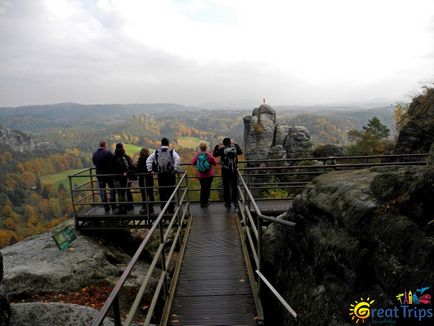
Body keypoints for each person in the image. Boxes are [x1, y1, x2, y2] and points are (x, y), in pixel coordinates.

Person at [146, 138, 181, 214]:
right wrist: (175, 169)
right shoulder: (172, 152)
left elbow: (148, 160)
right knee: (171, 191)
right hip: (170, 175)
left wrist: (150, 170)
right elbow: (178, 159)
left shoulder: (156, 152)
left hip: (161, 175)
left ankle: (163, 208)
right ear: (168, 144)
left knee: (162, 191)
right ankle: (171, 209)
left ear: (161, 144)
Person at [213, 137, 242, 208]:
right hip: (233, 169)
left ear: (223, 143)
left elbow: (214, 154)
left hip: (225, 169)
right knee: (234, 186)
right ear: (230, 142)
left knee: (226, 186)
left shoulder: (222, 149)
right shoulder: (234, 148)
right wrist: (236, 144)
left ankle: (228, 203)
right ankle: (235, 202)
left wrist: (217, 146)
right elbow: (240, 152)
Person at [110, 143, 134, 214]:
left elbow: (111, 168)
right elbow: (131, 166)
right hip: (125, 178)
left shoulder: (114, 158)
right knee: (125, 192)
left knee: (120, 194)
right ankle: (126, 207)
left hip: (117, 178)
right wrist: (126, 173)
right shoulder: (126, 156)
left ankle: (122, 209)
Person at [92, 140, 116, 212]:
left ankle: (106, 207)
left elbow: (94, 163)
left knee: (102, 190)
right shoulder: (108, 153)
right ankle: (113, 204)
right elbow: (114, 161)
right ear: (105, 145)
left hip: (99, 174)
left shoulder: (95, 154)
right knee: (112, 188)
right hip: (108, 174)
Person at [192, 142, 217, 207]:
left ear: (200, 148)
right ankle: (206, 201)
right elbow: (215, 163)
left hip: (201, 175)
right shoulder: (208, 155)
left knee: (203, 188)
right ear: (206, 148)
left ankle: (202, 203)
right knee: (207, 188)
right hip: (209, 175)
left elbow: (193, 163)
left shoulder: (198, 155)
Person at [137, 147, 155, 214]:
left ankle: (144, 207)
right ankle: (151, 207)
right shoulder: (150, 160)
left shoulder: (140, 160)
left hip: (142, 180)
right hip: (149, 179)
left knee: (144, 195)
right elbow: (154, 168)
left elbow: (138, 170)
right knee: (150, 193)